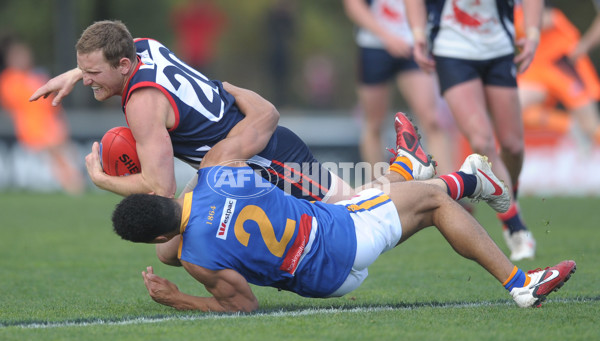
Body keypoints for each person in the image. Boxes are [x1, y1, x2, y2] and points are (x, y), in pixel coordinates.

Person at [29, 20, 436, 267]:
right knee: (170, 249)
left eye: (92, 72)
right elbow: (111, 57)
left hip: (268, 158)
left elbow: (161, 189)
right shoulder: (142, 47)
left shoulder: (142, 105)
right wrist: (75, 74)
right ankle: (237, 278)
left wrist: (104, 180)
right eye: (84, 71)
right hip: (234, 162)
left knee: (359, 220)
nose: (88, 79)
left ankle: (414, 174)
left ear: (121, 66)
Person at [110, 108, 576, 312]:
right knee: (434, 198)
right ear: (161, 194)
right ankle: (520, 283)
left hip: (323, 283)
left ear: (155, 238)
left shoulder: (194, 260)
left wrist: (178, 298)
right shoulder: (215, 174)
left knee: (380, 199)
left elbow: (243, 306)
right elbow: (261, 114)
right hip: (340, 237)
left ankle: (414, 168)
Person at [404, 0, 544, 261]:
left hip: (500, 48)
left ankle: (508, 192)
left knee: (513, 146)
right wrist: (418, 34)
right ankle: (515, 227)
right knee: (481, 139)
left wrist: (533, 33)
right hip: (452, 50)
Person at [343, 0, 457, 177]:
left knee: (432, 120)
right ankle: (378, 188)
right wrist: (387, 38)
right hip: (373, 45)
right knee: (373, 124)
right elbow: (354, 7)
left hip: (413, 44)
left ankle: (447, 185)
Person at [0, 35, 84, 194]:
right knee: (57, 154)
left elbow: (53, 105)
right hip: (33, 129)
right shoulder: (9, 80)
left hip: (49, 125)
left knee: (67, 152)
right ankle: (72, 184)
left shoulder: (36, 76)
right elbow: (12, 104)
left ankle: (74, 182)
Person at [516, 4, 600, 146]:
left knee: (591, 127)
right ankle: (569, 125)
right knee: (509, 110)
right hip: (538, 65)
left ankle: (581, 128)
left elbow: (551, 18)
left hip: (563, 61)